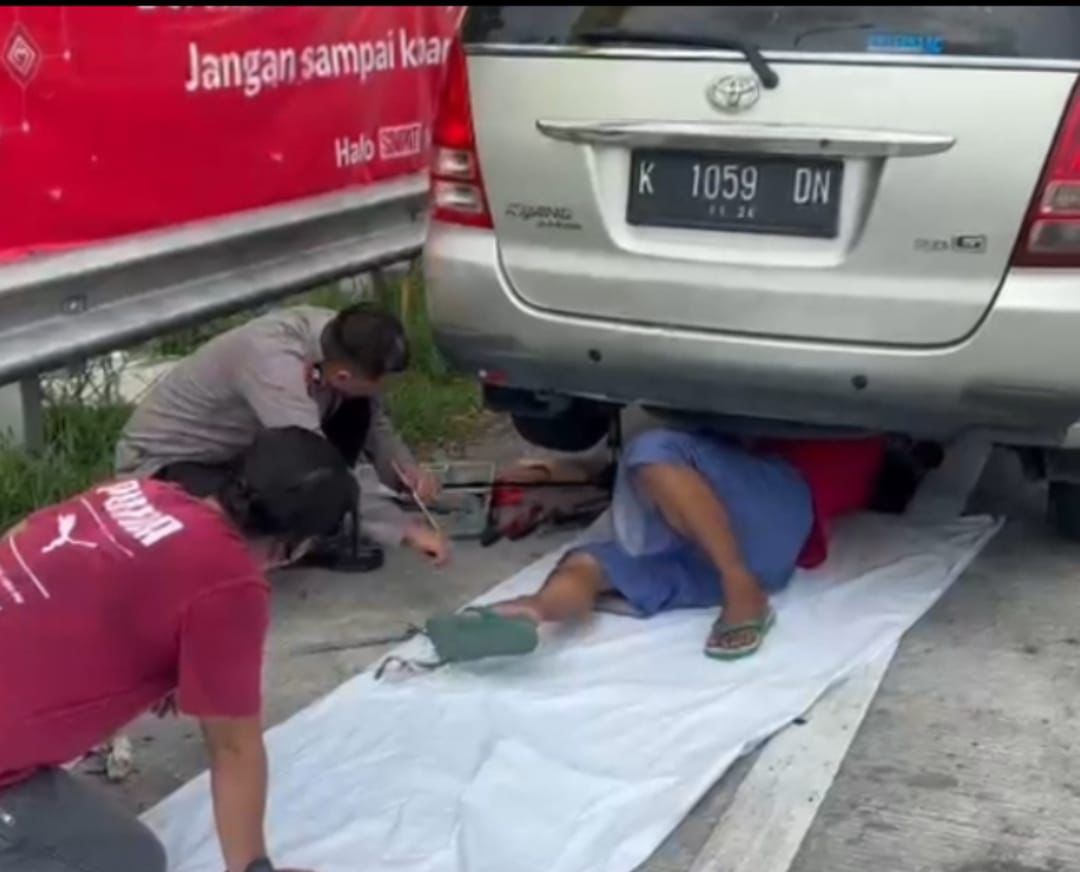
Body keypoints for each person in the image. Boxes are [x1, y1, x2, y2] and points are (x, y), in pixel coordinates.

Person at [0, 427, 360, 872]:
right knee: (125, 864)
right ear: (298, 545)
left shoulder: (140, 492)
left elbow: (28, 538)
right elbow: (233, 749)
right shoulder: (230, 585)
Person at [495, 427, 887, 659]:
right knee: (586, 561)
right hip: (759, 545)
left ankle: (739, 583)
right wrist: (539, 607)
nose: (530, 507)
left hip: (767, 535)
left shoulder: (632, 512)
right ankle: (740, 583)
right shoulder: (636, 516)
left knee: (648, 457)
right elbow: (581, 576)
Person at [114, 304, 449, 570]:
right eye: (381, 384)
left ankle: (311, 533)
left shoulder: (341, 339)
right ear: (343, 374)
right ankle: (288, 541)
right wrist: (403, 530)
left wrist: (406, 471)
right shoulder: (275, 366)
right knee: (265, 505)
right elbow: (310, 469)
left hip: (241, 451)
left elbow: (375, 423)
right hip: (169, 464)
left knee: (355, 409)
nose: (384, 392)